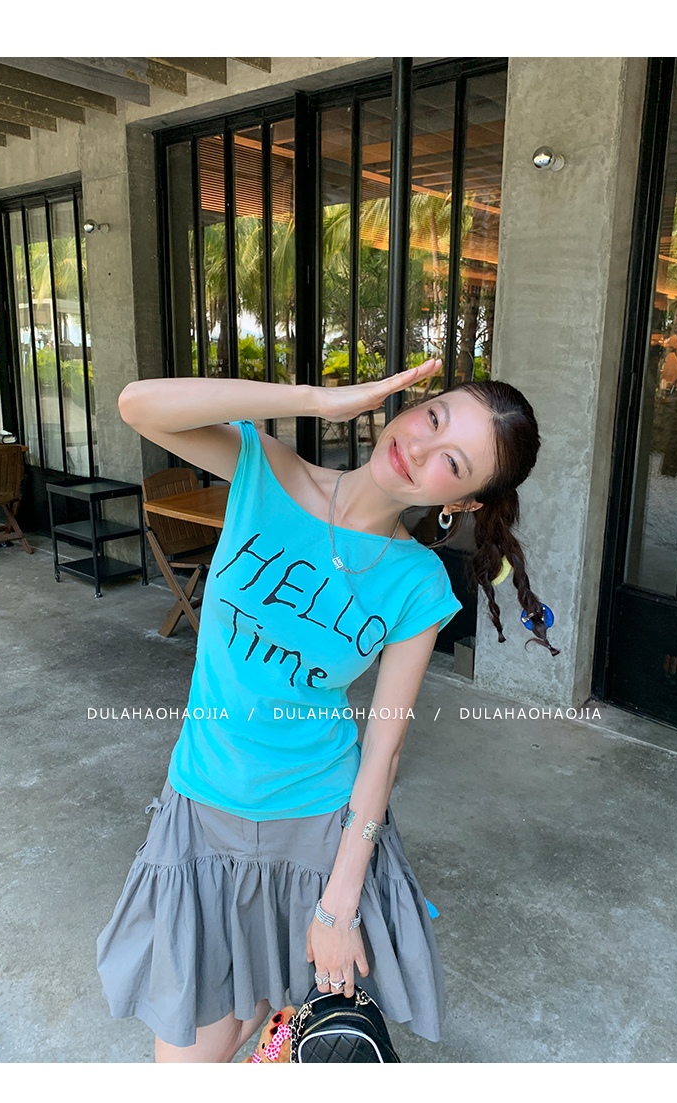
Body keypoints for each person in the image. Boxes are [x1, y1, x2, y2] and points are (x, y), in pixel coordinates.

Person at [96, 358, 555, 1063]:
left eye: (452, 462)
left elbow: (385, 749)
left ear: (461, 503)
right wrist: (316, 399)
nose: (420, 448)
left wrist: (340, 903)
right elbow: (138, 405)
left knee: (270, 1011)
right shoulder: (268, 470)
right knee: (185, 1061)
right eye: (433, 418)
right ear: (412, 404)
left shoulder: (416, 581)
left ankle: (285, 1007)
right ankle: (282, 1011)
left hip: (315, 827)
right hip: (203, 807)